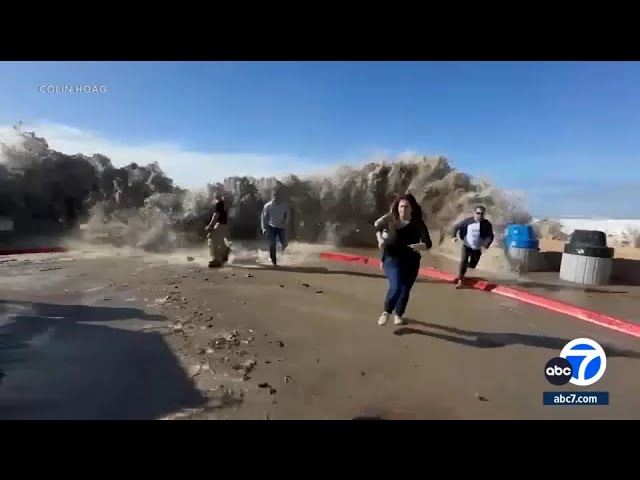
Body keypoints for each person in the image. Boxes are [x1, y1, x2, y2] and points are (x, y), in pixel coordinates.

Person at [374, 194, 432, 326]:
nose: (403, 209)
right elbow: (377, 226)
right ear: (397, 207)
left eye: (406, 207)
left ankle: (399, 314)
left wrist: (421, 246)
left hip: (411, 261)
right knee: (396, 287)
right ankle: (386, 312)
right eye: (401, 206)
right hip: (392, 259)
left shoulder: (418, 223)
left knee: (405, 290)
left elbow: (428, 243)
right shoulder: (391, 218)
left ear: (412, 208)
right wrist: (380, 239)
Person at [450, 205, 494, 289]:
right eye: (478, 213)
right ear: (474, 213)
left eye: (482, 214)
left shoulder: (487, 224)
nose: (480, 215)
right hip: (466, 246)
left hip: (477, 249)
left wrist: (486, 244)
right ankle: (460, 280)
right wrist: (453, 237)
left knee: (473, 265)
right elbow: (456, 227)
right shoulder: (468, 221)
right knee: (463, 261)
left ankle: (464, 269)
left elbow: (490, 236)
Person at [260, 189, 290, 266]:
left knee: (284, 243)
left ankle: (281, 255)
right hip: (272, 227)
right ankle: (274, 261)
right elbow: (263, 218)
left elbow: (287, 215)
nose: (276, 197)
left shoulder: (284, 205)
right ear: (273, 196)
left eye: (278, 196)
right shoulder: (268, 206)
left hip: (282, 227)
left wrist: (285, 222)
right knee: (272, 243)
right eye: (275, 195)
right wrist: (264, 228)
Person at [205, 193, 230, 268]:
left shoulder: (218, 204)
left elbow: (216, 215)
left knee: (211, 240)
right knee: (220, 241)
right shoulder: (224, 204)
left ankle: (216, 259)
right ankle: (225, 251)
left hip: (219, 224)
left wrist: (210, 225)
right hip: (225, 225)